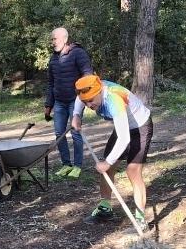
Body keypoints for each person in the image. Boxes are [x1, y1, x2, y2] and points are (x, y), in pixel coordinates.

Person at [70, 74, 153, 226]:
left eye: (91, 100)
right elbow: (80, 98)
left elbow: (124, 138)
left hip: (140, 127)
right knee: (107, 169)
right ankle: (105, 209)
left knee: (132, 171)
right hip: (123, 127)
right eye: (85, 102)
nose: (89, 105)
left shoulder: (114, 100)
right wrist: (76, 115)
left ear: (99, 92)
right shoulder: (89, 89)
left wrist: (108, 162)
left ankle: (141, 219)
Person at [45, 27, 93, 179]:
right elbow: (51, 83)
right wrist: (48, 106)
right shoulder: (53, 58)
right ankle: (66, 164)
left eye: (55, 39)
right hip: (59, 102)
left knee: (75, 132)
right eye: (52, 39)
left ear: (65, 39)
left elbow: (88, 74)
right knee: (59, 133)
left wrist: (85, 96)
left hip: (75, 101)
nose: (53, 42)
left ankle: (77, 166)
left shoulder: (78, 53)